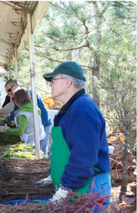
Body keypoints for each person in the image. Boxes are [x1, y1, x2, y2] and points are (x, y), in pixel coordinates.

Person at [41, 61, 111, 208]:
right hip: (77, 185)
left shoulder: (81, 110)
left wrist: (65, 190)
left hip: (89, 188)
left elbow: (83, 158)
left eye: (53, 80)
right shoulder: (71, 107)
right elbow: (66, 150)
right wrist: (53, 173)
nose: (50, 85)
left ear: (68, 82)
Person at [0, 79, 52, 155]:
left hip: (42, 125)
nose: (9, 93)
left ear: (15, 86)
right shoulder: (23, 96)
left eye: (9, 90)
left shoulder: (27, 94)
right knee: (40, 154)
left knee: (38, 155)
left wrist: (6, 129)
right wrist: (9, 120)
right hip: (39, 133)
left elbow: (21, 118)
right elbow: (17, 111)